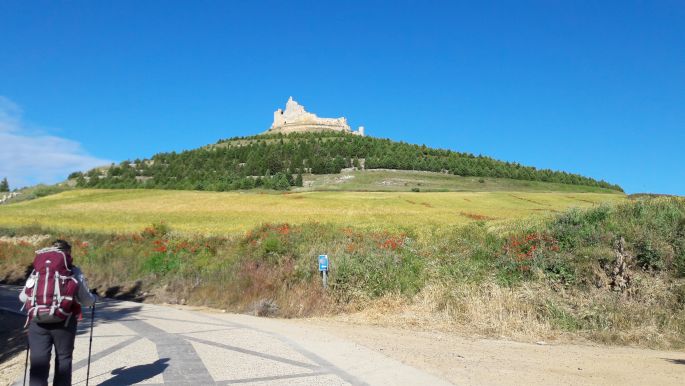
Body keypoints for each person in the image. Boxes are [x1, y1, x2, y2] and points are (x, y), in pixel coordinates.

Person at [19, 239, 97, 386]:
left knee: (38, 363)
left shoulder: (38, 270)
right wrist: (94, 298)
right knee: (63, 359)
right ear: (68, 253)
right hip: (64, 322)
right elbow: (86, 301)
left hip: (38, 322)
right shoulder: (73, 271)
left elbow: (23, 297)